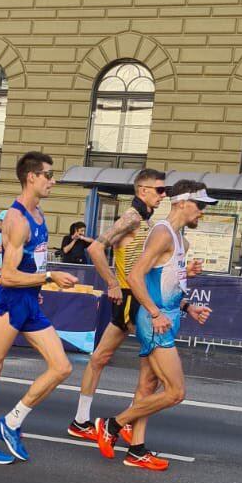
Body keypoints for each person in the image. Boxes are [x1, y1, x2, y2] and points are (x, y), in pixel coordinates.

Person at [92, 183, 214, 468]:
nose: (203, 212)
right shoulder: (162, 232)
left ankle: (136, 451)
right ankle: (112, 424)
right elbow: (135, 277)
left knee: (147, 386)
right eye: (200, 205)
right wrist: (155, 313)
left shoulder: (180, 240)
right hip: (155, 322)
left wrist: (188, 306)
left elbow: (165, 285)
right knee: (175, 392)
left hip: (166, 318)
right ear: (182, 202)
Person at [0, 151, 77, 465]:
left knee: (62, 367)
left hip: (30, 300)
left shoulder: (39, 214)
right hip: (12, 302)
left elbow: (32, 261)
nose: (53, 182)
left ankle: (11, 421)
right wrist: (49, 276)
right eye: (48, 175)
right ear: (32, 177)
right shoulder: (15, 219)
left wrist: (42, 278)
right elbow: (10, 275)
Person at [66, 168, 170, 445]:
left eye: (165, 190)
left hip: (131, 296)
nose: (163, 195)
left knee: (99, 358)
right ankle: (122, 426)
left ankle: (81, 421)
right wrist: (112, 282)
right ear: (143, 191)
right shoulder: (132, 217)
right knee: (159, 368)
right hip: (130, 297)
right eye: (159, 190)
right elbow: (95, 249)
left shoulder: (144, 220)